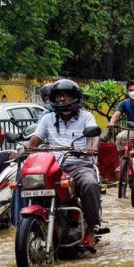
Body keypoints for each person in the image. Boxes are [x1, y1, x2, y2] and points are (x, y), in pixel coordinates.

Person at [28, 79, 101, 251]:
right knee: (27, 180)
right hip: (54, 166)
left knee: (90, 184)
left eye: (66, 96)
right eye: (59, 96)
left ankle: (91, 228)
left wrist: (92, 147)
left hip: (79, 164)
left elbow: (94, 136)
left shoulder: (86, 117)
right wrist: (24, 150)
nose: (62, 100)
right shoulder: (47, 119)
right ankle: (26, 223)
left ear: (75, 98)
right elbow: (35, 139)